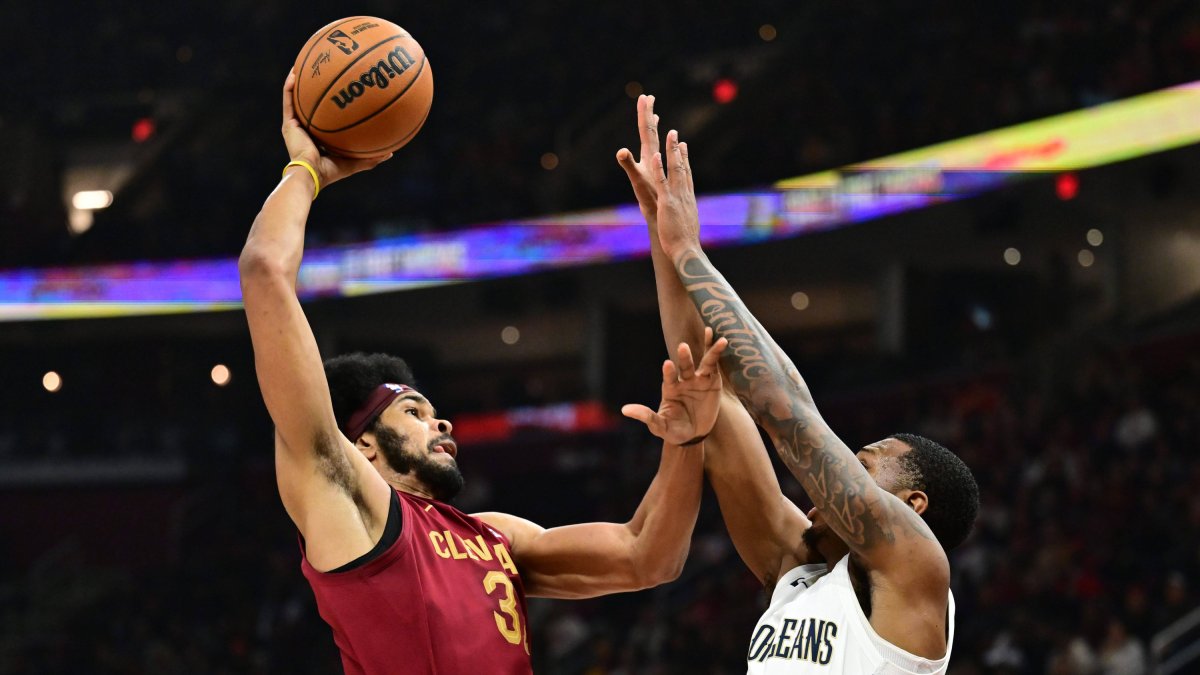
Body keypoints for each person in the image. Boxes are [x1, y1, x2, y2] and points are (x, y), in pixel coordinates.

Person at [238, 71, 729, 675]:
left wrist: (686, 443)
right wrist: (307, 171)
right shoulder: (346, 501)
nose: (440, 418)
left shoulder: (493, 536)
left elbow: (646, 557)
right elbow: (264, 269)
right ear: (362, 443)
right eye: (413, 411)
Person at [616, 95, 980, 673]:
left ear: (911, 506)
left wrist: (691, 250)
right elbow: (705, 374)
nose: (833, 472)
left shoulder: (915, 565)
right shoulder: (797, 563)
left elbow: (787, 410)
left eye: (863, 462)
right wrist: (665, 241)